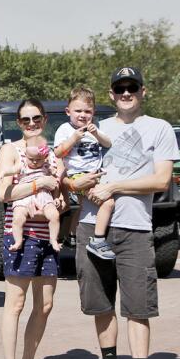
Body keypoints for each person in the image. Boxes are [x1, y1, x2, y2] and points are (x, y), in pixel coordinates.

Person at [72, 67, 180, 359]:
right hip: (92, 225)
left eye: (131, 87)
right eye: (120, 88)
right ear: (111, 94)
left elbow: (161, 180)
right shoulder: (96, 128)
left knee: (138, 307)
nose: (126, 93)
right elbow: (73, 170)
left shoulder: (159, 128)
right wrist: (75, 186)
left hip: (134, 228)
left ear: (142, 91)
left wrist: (115, 187)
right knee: (100, 304)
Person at [0, 99, 64, 359]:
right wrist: (38, 185)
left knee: (45, 305)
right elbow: (3, 194)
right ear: (18, 123)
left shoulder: (51, 153)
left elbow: (58, 190)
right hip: (20, 233)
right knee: (16, 304)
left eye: (36, 118)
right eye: (25, 120)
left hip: (46, 234)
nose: (31, 123)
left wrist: (60, 199)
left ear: (44, 119)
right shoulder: (10, 151)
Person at [53, 87, 116, 259]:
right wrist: (73, 139)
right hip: (78, 175)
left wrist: (96, 133)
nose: (82, 115)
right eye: (78, 110)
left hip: (96, 174)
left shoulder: (94, 128)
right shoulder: (65, 129)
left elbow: (108, 143)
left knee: (83, 208)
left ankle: (72, 236)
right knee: (108, 203)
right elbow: (58, 153)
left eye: (87, 111)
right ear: (68, 111)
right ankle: (98, 240)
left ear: (93, 112)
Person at [7, 137, 63, 254]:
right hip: (24, 196)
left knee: (54, 215)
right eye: (31, 159)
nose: (34, 162)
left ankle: (53, 239)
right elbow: (11, 170)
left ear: (45, 158)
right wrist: (2, 173)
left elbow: (56, 182)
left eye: (38, 159)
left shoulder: (47, 166)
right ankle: (18, 241)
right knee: (17, 218)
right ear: (25, 155)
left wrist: (56, 197)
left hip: (43, 195)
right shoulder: (22, 165)